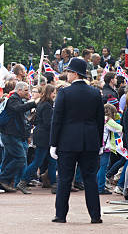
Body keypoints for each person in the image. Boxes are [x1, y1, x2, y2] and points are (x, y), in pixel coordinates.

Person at [50, 57, 104, 224]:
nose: (67, 75)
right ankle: (95, 216)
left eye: (68, 72)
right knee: (90, 179)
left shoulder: (64, 93)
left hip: (67, 141)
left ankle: (61, 215)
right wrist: (100, 142)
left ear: (74, 73)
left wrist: (53, 143)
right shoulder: (95, 93)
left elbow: (57, 120)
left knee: (65, 179)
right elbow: (99, 120)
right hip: (90, 141)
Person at [0, 81, 39, 193]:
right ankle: (2, 178)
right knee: (20, 158)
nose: (28, 92)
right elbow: (18, 109)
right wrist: (33, 103)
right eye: (26, 90)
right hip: (10, 135)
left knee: (9, 159)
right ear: (18, 90)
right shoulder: (13, 99)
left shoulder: (16, 99)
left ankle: (3, 182)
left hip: (12, 134)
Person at [19, 84, 57, 192]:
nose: (55, 95)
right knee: (39, 161)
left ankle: (54, 184)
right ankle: (23, 180)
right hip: (44, 136)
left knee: (51, 161)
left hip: (42, 134)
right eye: (54, 93)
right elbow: (48, 123)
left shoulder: (42, 104)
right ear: (50, 93)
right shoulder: (47, 105)